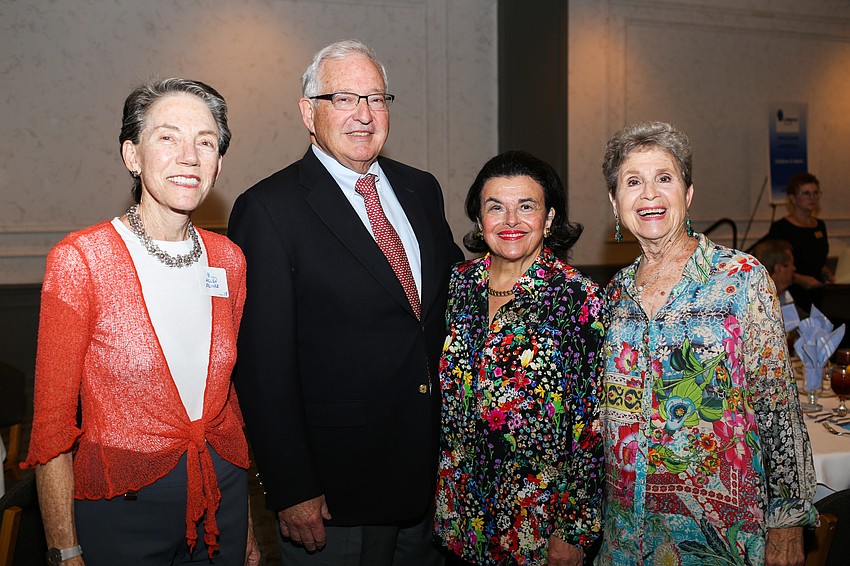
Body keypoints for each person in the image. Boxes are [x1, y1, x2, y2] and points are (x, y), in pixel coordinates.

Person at [228, 40, 463, 565]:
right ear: (307, 112)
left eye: (376, 98)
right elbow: (263, 368)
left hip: (432, 476)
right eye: (343, 99)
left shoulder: (420, 188)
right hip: (337, 490)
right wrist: (291, 486)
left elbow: (448, 302)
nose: (364, 114)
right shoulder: (268, 209)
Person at [24, 78, 260, 565]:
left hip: (223, 500)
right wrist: (65, 550)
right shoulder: (81, 260)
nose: (189, 156)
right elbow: (51, 427)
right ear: (132, 155)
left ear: (218, 164)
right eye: (168, 137)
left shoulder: (229, 260)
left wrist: (249, 529)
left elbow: (226, 399)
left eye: (205, 142)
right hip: (122, 508)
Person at [598, 121, 816, 565]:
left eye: (664, 178)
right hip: (625, 536)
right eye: (633, 182)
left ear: (689, 193)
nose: (649, 194)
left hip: (719, 537)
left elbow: (777, 405)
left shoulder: (741, 279)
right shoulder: (613, 294)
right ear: (615, 203)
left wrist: (788, 519)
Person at [432, 151, 605, 566]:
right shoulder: (457, 285)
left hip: (538, 525)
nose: (511, 221)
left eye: (526, 206)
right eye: (496, 207)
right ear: (479, 220)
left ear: (549, 218)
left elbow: (594, 424)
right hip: (461, 516)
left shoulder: (578, 298)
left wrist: (574, 530)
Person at [767, 172, 834, 311]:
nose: (812, 198)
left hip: (819, 291)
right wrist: (799, 279)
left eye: (816, 193)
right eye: (806, 193)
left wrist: (826, 271)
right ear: (793, 198)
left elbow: (819, 257)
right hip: (792, 292)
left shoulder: (820, 225)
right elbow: (773, 265)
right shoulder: (781, 227)